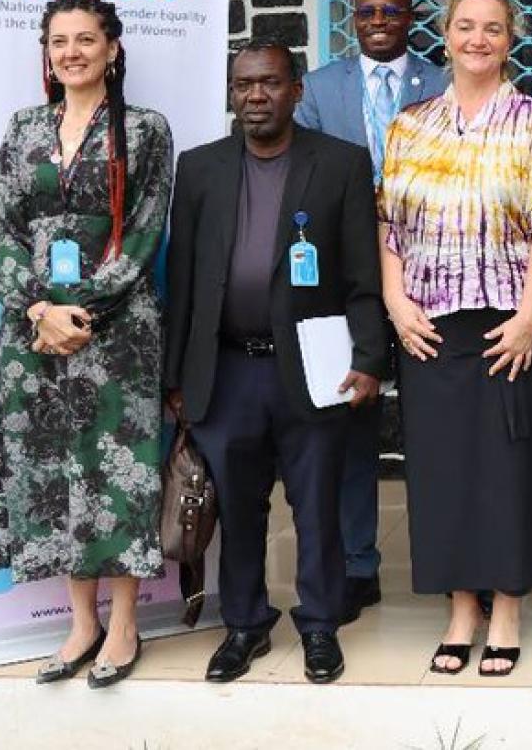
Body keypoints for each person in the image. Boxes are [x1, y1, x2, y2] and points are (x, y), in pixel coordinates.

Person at [165, 40, 387, 686]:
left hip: (313, 367)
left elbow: (361, 272)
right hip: (226, 370)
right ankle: (245, 623)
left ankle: (319, 625)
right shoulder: (200, 168)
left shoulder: (341, 164)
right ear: (231, 94)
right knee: (237, 508)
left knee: (316, 502)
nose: (255, 95)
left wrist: (371, 357)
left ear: (296, 91)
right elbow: (182, 280)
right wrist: (175, 377)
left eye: (269, 83)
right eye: (243, 85)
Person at [377, 0, 532, 678]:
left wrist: (527, 314)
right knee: (443, 470)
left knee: (509, 469)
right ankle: (462, 608)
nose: (478, 39)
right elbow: (388, 223)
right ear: (446, 34)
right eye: (466, 26)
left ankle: (508, 607)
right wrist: (396, 302)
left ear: (510, 39)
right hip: (429, 327)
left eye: (492, 28)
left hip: (509, 323)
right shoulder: (412, 123)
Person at [0, 0, 173, 689]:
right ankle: (81, 623)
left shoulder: (146, 130)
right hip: (33, 330)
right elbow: (2, 226)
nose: (72, 52)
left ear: (112, 49)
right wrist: (39, 308)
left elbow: (146, 229)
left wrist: (81, 311)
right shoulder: (23, 128)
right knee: (54, 473)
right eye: (59, 41)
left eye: (86, 40)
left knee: (116, 474)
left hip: (118, 329)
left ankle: (124, 625)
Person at [293, 0, 449, 620]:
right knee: (350, 425)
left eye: (391, 10)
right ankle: (359, 565)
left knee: (442, 426)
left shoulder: (442, 85)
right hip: (348, 284)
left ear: (411, 17)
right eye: (367, 11)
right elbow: (300, 176)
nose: (379, 19)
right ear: (351, 19)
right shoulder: (322, 88)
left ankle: (451, 562)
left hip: (434, 281)